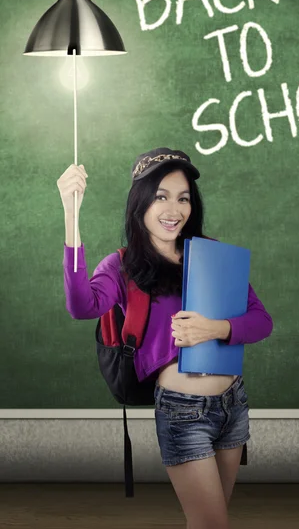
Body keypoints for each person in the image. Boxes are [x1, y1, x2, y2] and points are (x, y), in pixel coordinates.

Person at [57, 147, 273, 529]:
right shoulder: (122, 265)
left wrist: (216, 328)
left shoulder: (211, 255)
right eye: (161, 196)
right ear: (140, 201)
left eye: (183, 198)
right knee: (212, 523)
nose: (174, 209)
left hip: (233, 405)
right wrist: (71, 215)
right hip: (182, 412)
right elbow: (81, 305)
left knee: (209, 522)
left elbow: (261, 321)